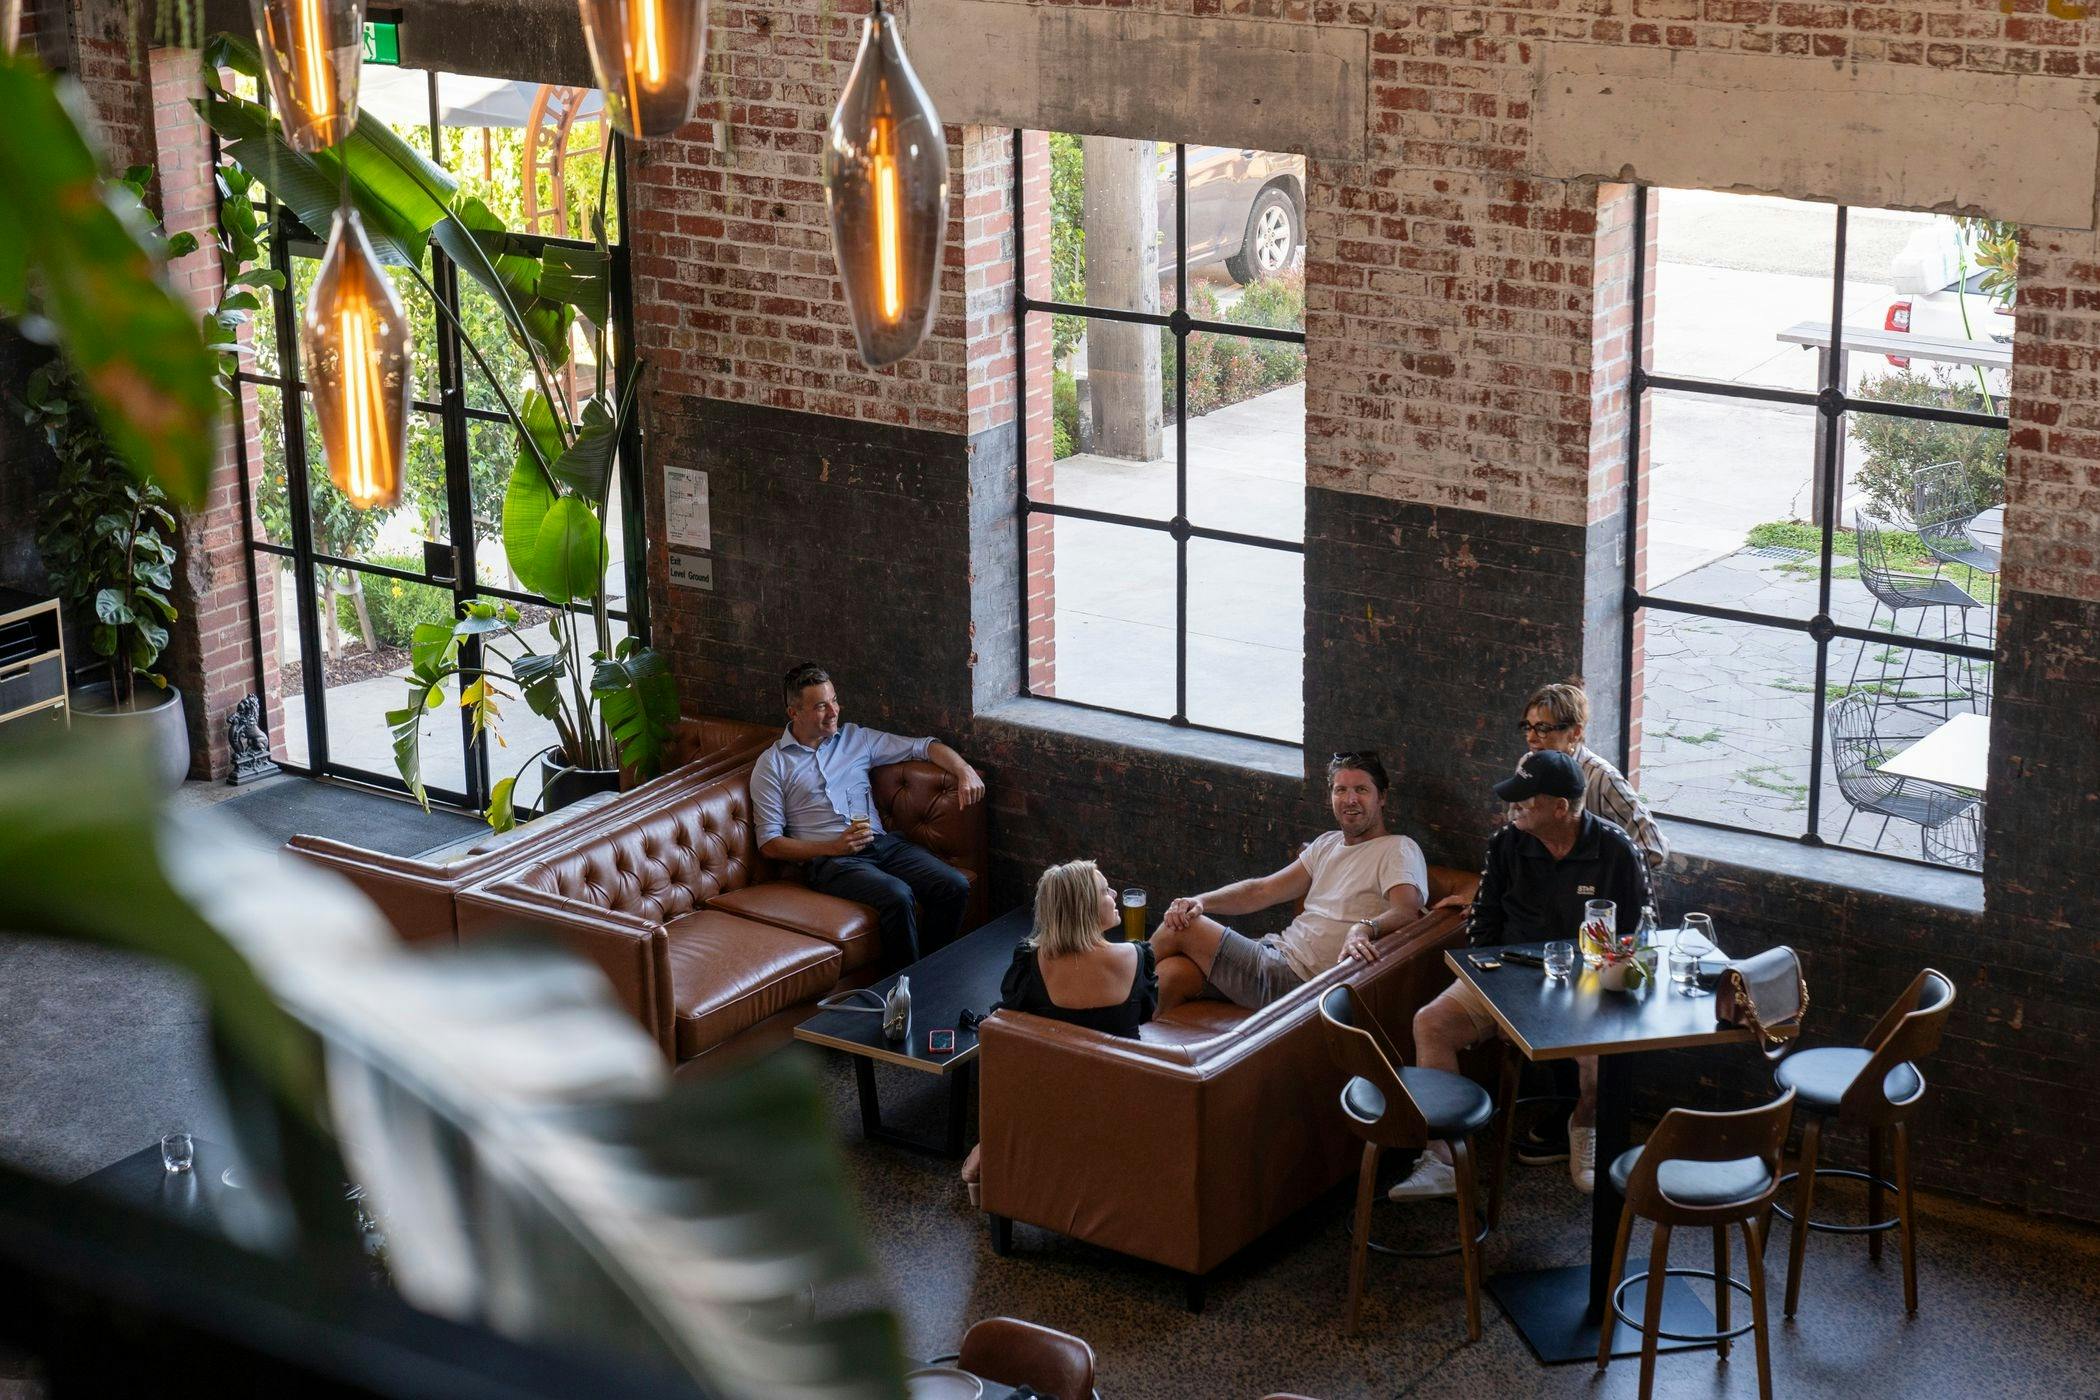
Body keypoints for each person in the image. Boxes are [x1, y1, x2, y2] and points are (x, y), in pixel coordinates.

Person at [1396, 748, 1650, 1201]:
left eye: (1524, 801)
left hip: (1586, 986)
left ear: (1559, 808)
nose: (1512, 809)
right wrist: (1496, 987)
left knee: (1599, 1057)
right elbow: (1483, 921)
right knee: (1431, 1022)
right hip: (1508, 977)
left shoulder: (1616, 851)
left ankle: (1585, 1125)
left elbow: (1643, 932)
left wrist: (1606, 974)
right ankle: (1443, 1159)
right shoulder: (1506, 843)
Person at [1149, 752, 1430, 1012]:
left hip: (1302, 982)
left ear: (1382, 797)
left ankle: (1114, 981)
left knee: (1183, 926)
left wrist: (1363, 928)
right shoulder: (1326, 844)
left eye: (1361, 790)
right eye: (1340, 790)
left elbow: (1408, 911)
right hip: (1276, 953)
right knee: (1172, 975)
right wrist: (1201, 901)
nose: (1350, 799)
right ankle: (1135, 1053)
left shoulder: (1398, 849)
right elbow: (1262, 890)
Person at [751, 664, 985, 963]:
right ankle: (904, 993)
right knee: (898, 896)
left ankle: (930, 975)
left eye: (834, 700)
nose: (834, 711)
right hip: (832, 861)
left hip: (881, 844)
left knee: (953, 885)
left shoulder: (855, 739)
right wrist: (833, 847)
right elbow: (769, 843)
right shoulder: (772, 765)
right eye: (821, 706)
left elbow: (924, 747)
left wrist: (963, 771)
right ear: (794, 713)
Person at [959, 858, 1159, 1201]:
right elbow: (1147, 1016)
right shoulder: (1136, 957)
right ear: (1084, 908)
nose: (1114, 894)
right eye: (1104, 890)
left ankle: (987, 1148)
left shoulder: (1029, 963)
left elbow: (1011, 1027)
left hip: (1052, 1107)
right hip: (1123, 1105)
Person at [1518, 681, 1667, 887]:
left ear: (1575, 732)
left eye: (1543, 729)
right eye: (1528, 728)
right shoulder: (1526, 765)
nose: (1531, 738)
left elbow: (1653, 849)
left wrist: (1597, 878)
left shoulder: (1602, 778)